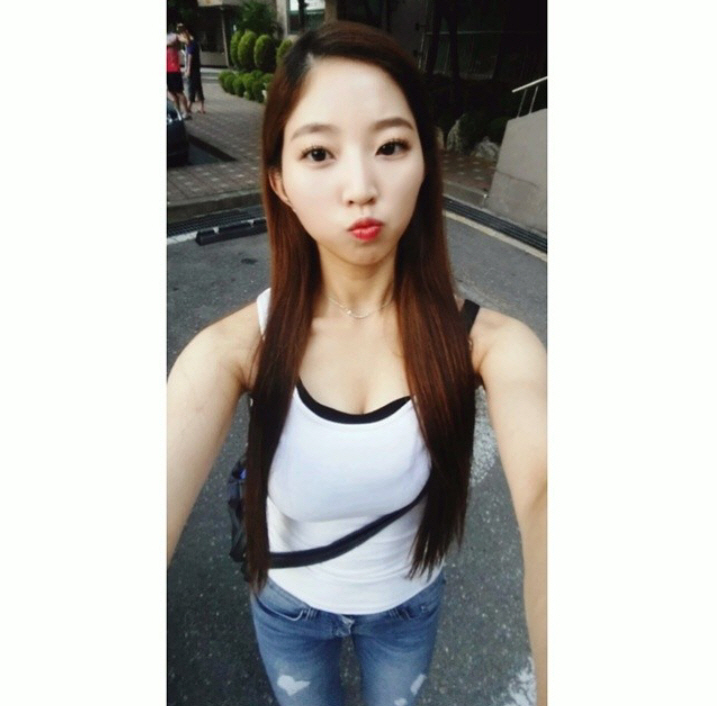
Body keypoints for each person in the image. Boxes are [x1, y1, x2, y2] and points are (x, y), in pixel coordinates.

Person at [167, 21, 546, 706]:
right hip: (289, 606)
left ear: (424, 159)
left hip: (407, 609)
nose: (361, 186)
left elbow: (552, 495)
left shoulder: (493, 345)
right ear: (279, 180)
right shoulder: (234, 349)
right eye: (319, 153)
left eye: (390, 146)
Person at [177, 24, 205, 114]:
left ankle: (188, 107)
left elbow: (190, 57)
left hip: (192, 69)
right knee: (198, 87)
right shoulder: (194, 42)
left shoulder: (191, 44)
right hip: (196, 68)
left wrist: (188, 69)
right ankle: (201, 108)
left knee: (191, 87)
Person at [166, 32, 190, 119]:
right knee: (172, 93)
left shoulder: (174, 36)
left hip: (174, 70)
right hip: (167, 70)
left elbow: (186, 41)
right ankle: (178, 112)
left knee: (179, 92)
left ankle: (186, 112)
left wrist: (176, 39)